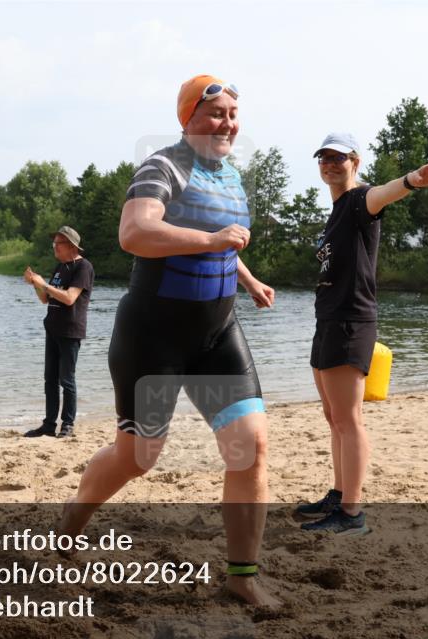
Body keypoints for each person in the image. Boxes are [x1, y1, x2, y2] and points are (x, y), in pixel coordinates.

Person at [58, 75, 279, 607]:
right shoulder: (163, 166)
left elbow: (225, 239)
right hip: (154, 337)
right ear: (187, 118)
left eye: (232, 113)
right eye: (214, 113)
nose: (227, 122)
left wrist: (246, 279)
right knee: (139, 458)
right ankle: (74, 518)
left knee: (251, 446)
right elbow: (134, 233)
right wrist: (212, 240)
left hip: (216, 333)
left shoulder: (229, 175)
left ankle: (242, 577)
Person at [296, 132, 428, 534]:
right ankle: (338, 492)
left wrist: (414, 178)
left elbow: (384, 193)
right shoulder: (336, 209)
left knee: (349, 419)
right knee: (334, 417)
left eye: (338, 158)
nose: (329, 164)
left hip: (351, 321)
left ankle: (352, 512)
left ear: (355, 162)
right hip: (327, 320)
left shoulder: (360, 201)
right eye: (323, 158)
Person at [23, 226, 94, 439]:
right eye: (53, 242)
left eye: (58, 243)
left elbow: (70, 298)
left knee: (67, 380)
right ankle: (48, 425)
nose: (54, 246)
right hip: (52, 329)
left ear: (72, 245)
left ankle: (68, 425)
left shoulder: (83, 267)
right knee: (50, 380)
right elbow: (46, 299)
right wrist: (36, 284)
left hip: (70, 331)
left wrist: (44, 284)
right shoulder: (60, 267)